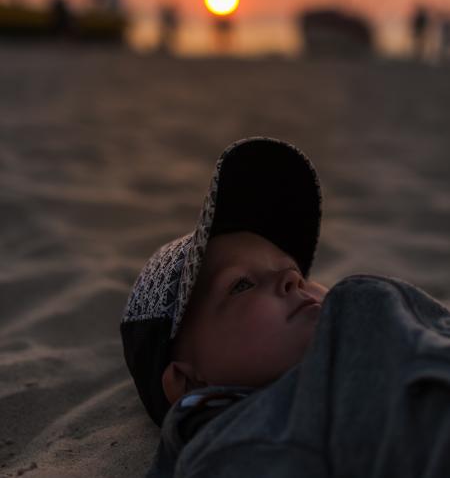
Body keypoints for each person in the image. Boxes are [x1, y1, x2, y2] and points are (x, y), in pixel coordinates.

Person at [121, 137, 450, 478]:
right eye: (242, 285)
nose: (292, 282)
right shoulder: (242, 442)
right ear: (189, 382)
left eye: (296, 273)